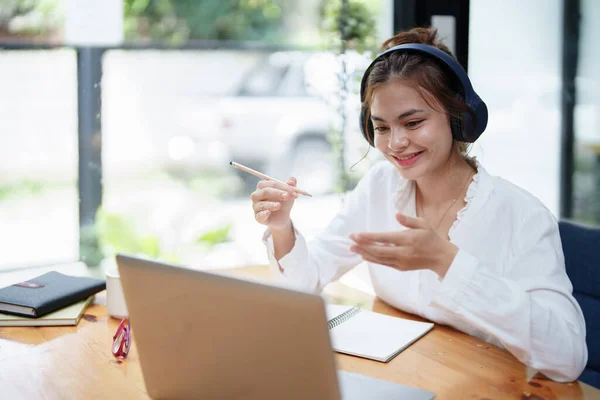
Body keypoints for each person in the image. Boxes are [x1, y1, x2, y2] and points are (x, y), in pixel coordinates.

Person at [249, 27, 587, 382]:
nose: (396, 143)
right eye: (381, 128)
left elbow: (567, 359)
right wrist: (281, 227)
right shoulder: (380, 186)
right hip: (407, 376)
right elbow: (307, 279)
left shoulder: (521, 216)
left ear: (459, 117)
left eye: (413, 122)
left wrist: (447, 261)